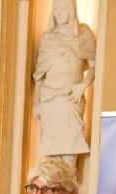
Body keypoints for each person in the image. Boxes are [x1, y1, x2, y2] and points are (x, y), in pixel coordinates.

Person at [33, 0, 96, 169]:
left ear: (72, 10)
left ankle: (69, 190)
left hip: (71, 97)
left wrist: (83, 85)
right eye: (57, 10)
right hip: (49, 98)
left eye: (64, 9)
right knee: (52, 151)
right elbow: (39, 74)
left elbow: (94, 66)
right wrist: (36, 102)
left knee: (71, 144)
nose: (60, 14)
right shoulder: (47, 37)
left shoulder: (84, 34)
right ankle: (52, 189)